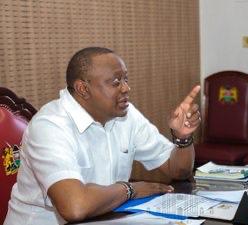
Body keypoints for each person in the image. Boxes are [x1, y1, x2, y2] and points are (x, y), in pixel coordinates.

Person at [4, 47, 201, 225]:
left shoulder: (126, 115)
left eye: (126, 79)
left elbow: (177, 171)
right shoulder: (50, 125)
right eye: (116, 82)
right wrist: (129, 190)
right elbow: (75, 207)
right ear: (83, 89)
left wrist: (182, 138)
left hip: (105, 217)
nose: (126, 88)